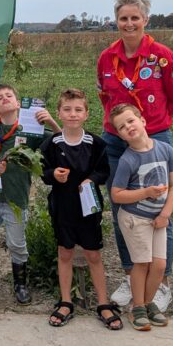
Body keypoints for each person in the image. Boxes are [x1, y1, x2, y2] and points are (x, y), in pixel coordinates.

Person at [97, 0, 173, 311]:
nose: (129, 23)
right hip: (115, 142)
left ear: (145, 20)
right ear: (116, 21)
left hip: (154, 140)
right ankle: (130, 275)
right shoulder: (107, 58)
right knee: (122, 210)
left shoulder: (163, 57)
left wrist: (156, 127)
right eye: (124, 18)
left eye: (135, 17)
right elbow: (104, 96)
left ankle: (161, 283)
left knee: (158, 208)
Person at [0, 50, 56, 304]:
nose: (4, 99)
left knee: (17, 245)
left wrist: (52, 121)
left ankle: (20, 285)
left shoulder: (31, 129)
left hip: (16, 200)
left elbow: (59, 141)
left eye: (9, 96)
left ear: (18, 103)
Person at [40, 88, 121, 329]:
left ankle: (103, 303)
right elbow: (43, 173)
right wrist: (53, 174)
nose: (72, 114)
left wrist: (91, 179)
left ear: (86, 114)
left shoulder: (96, 143)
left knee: (93, 254)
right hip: (62, 208)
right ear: (59, 113)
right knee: (65, 252)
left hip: (89, 207)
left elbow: (104, 170)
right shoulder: (51, 144)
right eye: (67, 109)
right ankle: (66, 301)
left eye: (78, 110)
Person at [109, 104, 173, 331]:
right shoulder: (128, 160)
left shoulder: (165, 149)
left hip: (158, 218)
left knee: (159, 266)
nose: (128, 127)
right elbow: (117, 195)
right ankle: (138, 307)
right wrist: (146, 193)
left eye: (131, 121)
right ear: (120, 135)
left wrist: (165, 214)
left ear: (143, 121)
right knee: (141, 264)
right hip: (135, 219)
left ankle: (147, 303)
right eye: (121, 127)